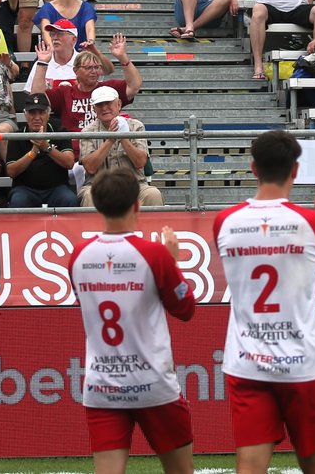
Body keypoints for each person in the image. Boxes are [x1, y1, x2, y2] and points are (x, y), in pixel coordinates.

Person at [215, 131, 315, 474]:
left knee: (250, 465)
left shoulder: (224, 221)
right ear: (296, 171)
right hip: (302, 362)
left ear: (253, 168)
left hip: (247, 361)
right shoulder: (312, 222)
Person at [68, 166, 196, 474]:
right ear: (137, 205)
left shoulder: (78, 255)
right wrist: (174, 263)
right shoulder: (154, 254)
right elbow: (185, 308)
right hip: (152, 381)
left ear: (97, 206)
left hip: (103, 383)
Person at [79, 87, 157, 207]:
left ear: (119, 104)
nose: (104, 108)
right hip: (98, 186)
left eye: (108, 103)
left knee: (153, 194)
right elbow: (90, 168)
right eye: (100, 104)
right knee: (89, 195)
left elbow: (141, 162)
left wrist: (123, 137)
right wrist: (110, 139)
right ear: (94, 108)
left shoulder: (137, 126)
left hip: (134, 184)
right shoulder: (87, 131)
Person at [6, 93, 80, 208]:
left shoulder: (60, 132)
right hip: (25, 189)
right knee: (18, 201)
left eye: (41, 112)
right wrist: (32, 153)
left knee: (70, 200)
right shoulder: (16, 136)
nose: (37, 117)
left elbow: (69, 163)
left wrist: (47, 148)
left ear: (48, 114)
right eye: (32, 113)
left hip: (56, 188)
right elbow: (11, 172)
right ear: (25, 114)